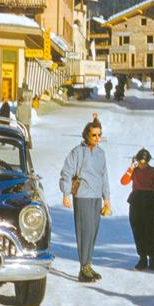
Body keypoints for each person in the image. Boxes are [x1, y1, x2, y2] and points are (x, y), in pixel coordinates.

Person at [58, 119, 112, 282]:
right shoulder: (77, 152)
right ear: (86, 135)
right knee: (84, 231)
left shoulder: (101, 153)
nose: (96, 138)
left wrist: (107, 199)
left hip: (96, 196)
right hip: (82, 196)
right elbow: (67, 172)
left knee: (93, 231)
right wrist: (66, 193)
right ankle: (83, 268)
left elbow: (105, 177)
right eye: (94, 135)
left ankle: (88, 264)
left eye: (99, 135)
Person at [121, 148, 154, 271]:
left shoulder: (153, 171)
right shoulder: (134, 171)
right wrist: (131, 167)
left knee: (150, 230)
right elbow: (123, 181)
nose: (142, 164)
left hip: (150, 200)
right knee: (138, 230)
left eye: (144, 161)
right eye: (140, 161)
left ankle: (153, 258)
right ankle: (142, 258)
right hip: (136, 200)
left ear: (148, 161)